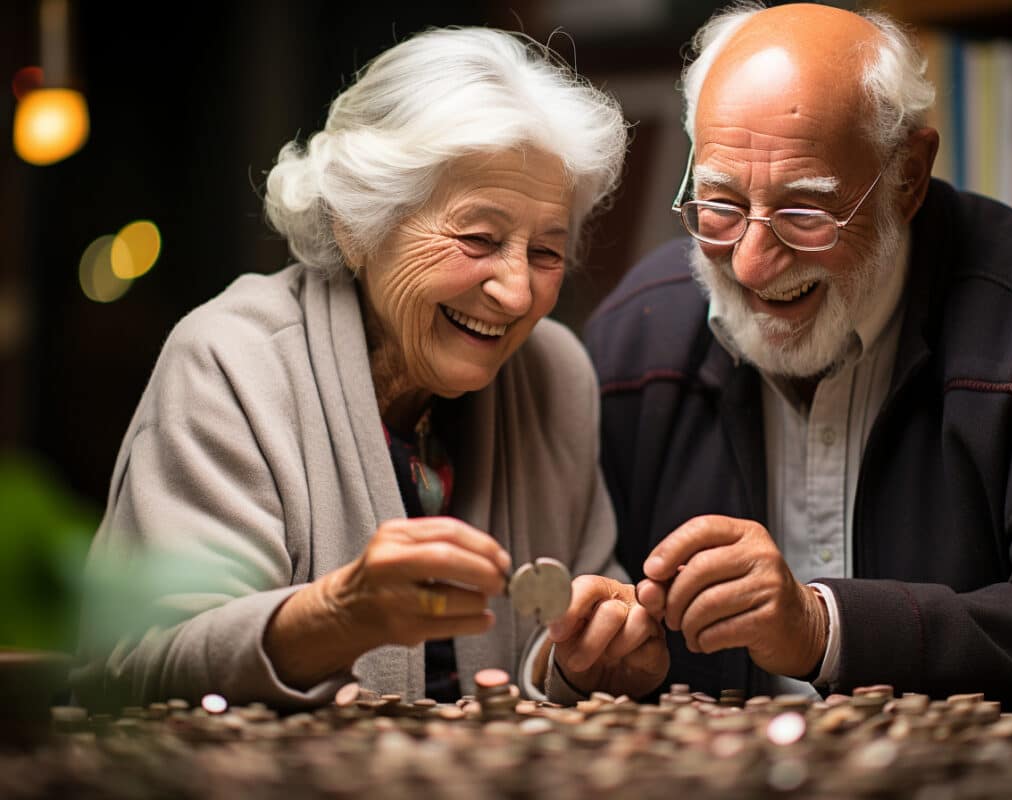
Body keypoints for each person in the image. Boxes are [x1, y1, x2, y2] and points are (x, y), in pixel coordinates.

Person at [583, 2, 1012, 708]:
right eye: (720, 203)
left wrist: (824, 628)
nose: (749, 264)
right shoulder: (635, 334)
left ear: (907, 178)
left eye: (804, 214)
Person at [71, 26, 667, 710]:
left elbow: (568, 648)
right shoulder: (232, 363)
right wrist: (335, 616)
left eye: (546, 252)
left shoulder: (555, 374)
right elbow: (140, 667)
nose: (517, 292)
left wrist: (600, 655)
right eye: (479, 238)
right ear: (358, 225)